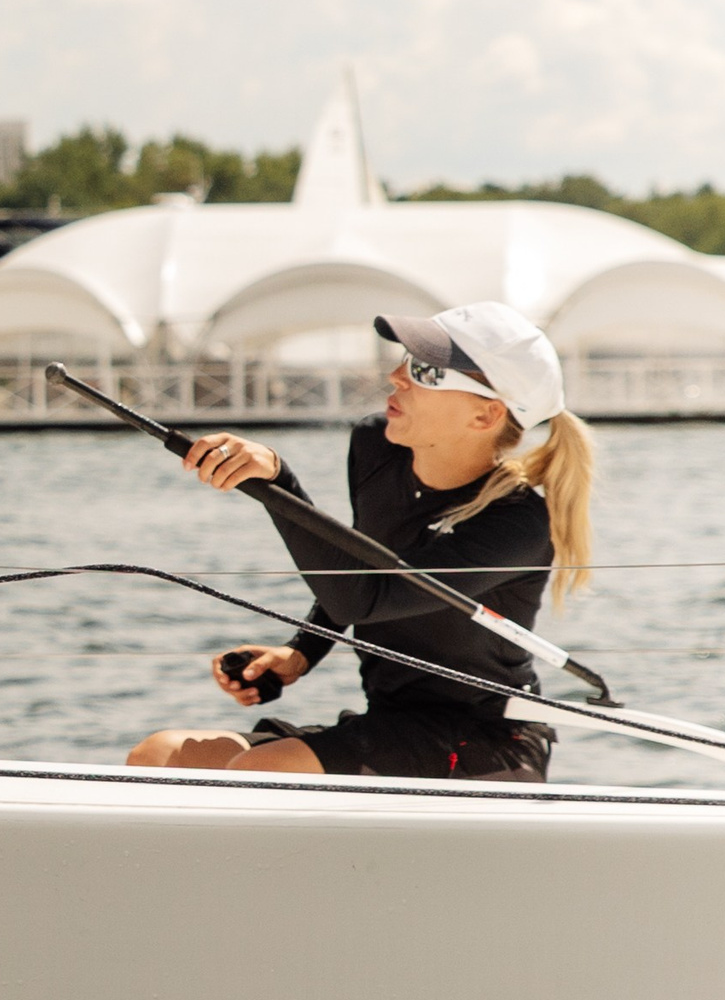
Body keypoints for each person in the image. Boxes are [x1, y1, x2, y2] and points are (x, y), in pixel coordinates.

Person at [126, 302, 595, 781]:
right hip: (390, 723)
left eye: (426, 371)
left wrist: (279, 485)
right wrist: (300, 654)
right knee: (158, 755)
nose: (396, 376)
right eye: (407, 360)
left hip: (488, 741)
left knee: (263, 770)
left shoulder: (517, 525)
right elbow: (363, 568)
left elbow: (365, 599)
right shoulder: (377, 447)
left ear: (485, 415)